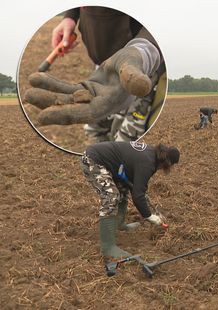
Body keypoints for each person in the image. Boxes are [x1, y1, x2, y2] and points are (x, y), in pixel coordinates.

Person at [26, 6, 166, 143]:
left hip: (140, 71)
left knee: (126, 140)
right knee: (94, 133)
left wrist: (145, 51)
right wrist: (70, 16)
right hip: (102, 71)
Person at [81, 140, 180, 259]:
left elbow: (134, 185)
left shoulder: (151, 154)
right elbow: (138, 196)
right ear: (167, 163)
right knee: (111, 196)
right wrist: (149, 216)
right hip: (94, 160)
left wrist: (140, 193)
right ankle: (107, 247)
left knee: (122, 190)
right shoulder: (147, 163)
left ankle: (120, 224)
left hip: (106, 162)